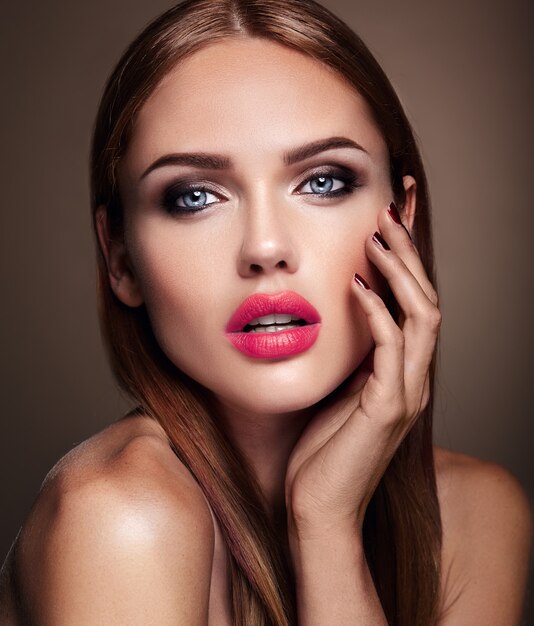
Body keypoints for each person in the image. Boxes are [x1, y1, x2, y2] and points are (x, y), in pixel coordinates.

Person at [0, 0, 531, 623]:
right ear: (119, 255)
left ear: (401, 220)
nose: (266, 248)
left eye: (324, 181)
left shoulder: (476, 514)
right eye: (195, 196)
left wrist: (326, 526)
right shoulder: (121, 521)